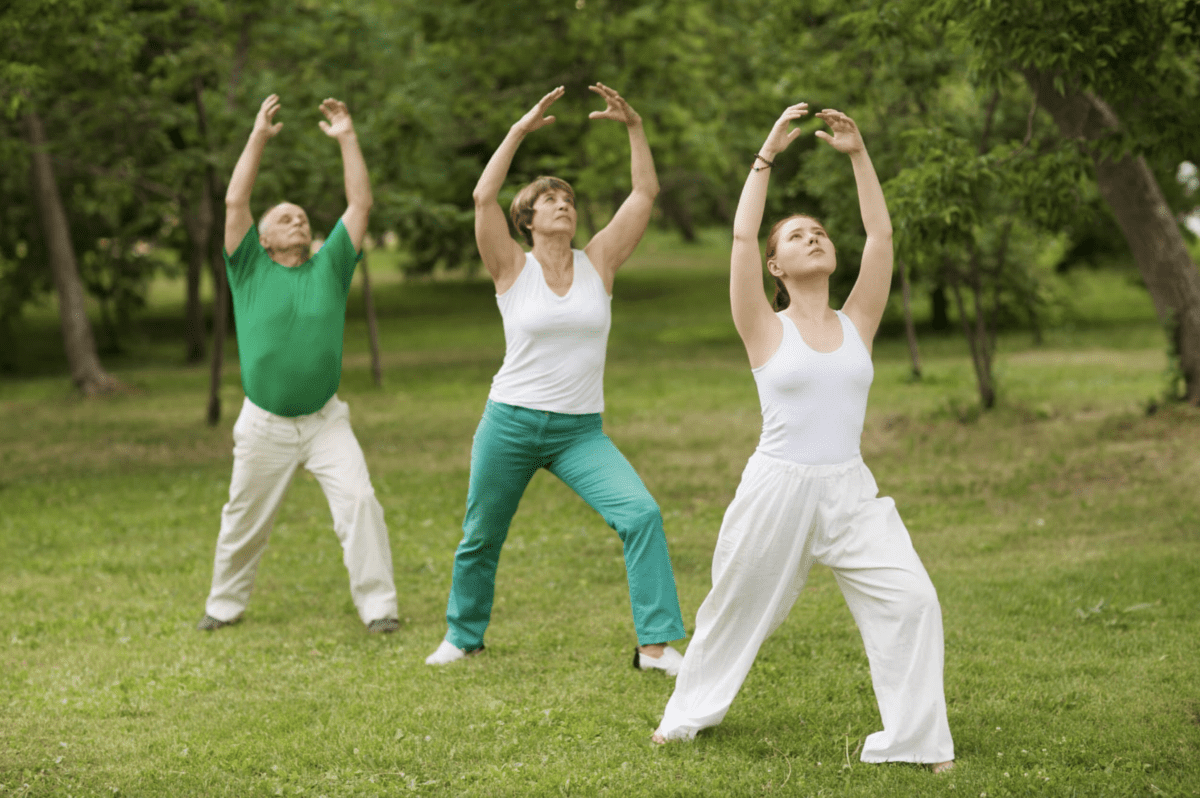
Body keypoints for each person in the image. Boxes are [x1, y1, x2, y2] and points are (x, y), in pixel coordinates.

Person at [651, 103, 955, 772]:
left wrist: (859, 155)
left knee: (913, 598)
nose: (812, 238)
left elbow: (881, 236)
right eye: (796, 237)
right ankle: (685, 716)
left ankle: (917, 739)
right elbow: (739, 238)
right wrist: (765, 157)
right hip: (777, 488)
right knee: (734, 605)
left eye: (818, 232)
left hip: (850, 488)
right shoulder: (763, 325)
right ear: (776, 267)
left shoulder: (860, 320)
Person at [425, 84, 686, 672]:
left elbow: (645, 192)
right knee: (481, 536)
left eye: (568, 198)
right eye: (549, 199)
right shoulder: (510, 267)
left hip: (579, 433)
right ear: (527, 218)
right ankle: (463, 636)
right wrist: (518, 131)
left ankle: (655, 646)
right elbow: (481, 194)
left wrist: (634, 127)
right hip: (510, 422)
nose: (563, 203)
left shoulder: (601, 261)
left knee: (640, 513)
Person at [197, 95, 399, 634]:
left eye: (303, 216)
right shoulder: (248, 267)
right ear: (262, 238)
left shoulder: (330, 266)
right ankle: (223, 606)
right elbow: (235, 198)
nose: (298, 220)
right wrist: (259, 135)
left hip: (324, 420)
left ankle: (380, 609)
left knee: (359, 501)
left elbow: (359, 206)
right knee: (244, 518)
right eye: (285, 217)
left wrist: (347, 137)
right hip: (264, 423)